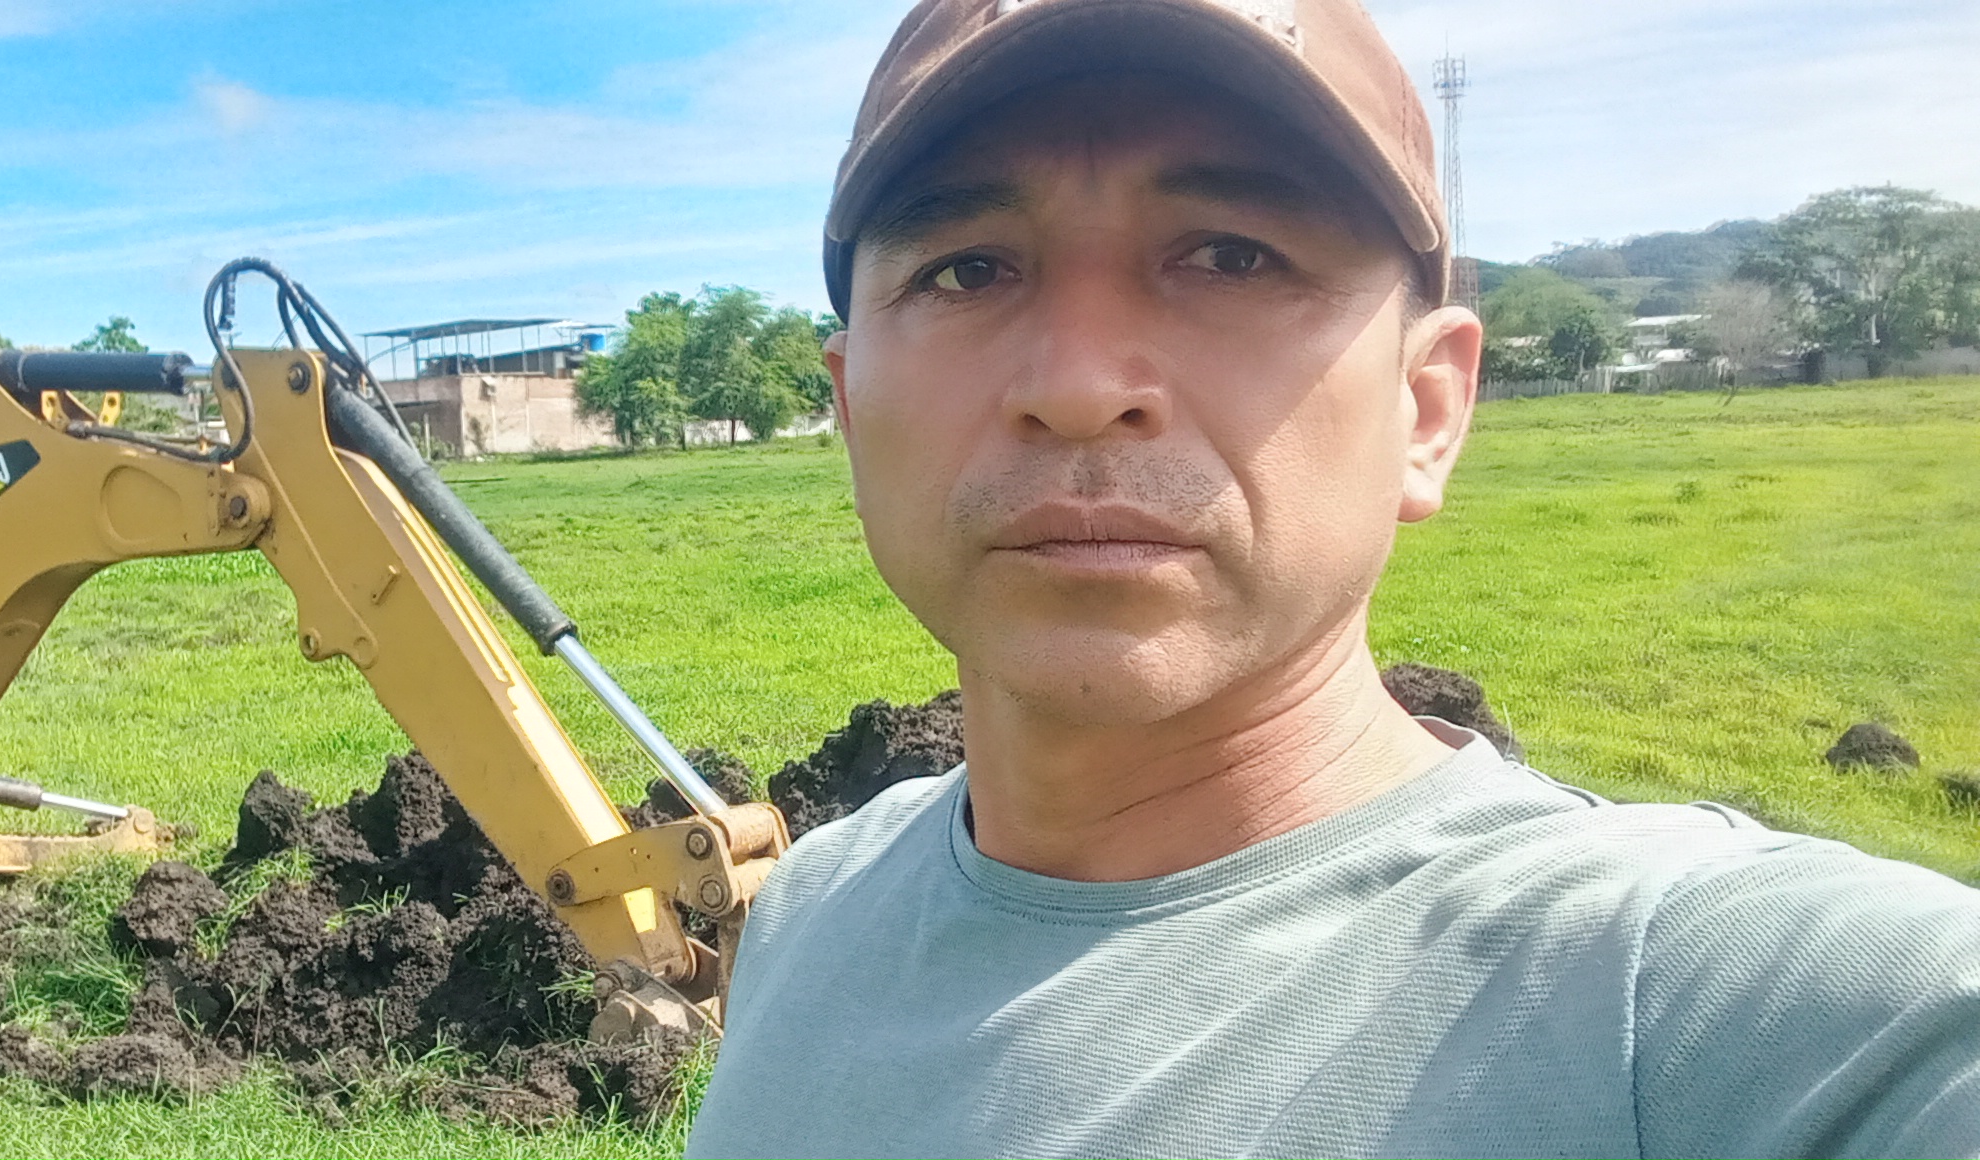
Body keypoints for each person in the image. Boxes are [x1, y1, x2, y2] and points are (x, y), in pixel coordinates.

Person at [683, 1, 1980, 1157]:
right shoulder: (808, 919)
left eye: (1232, 254)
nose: (1077, 386)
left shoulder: (1709, 1006)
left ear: (1428, 411)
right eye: (966, 270)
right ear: (849, 413)